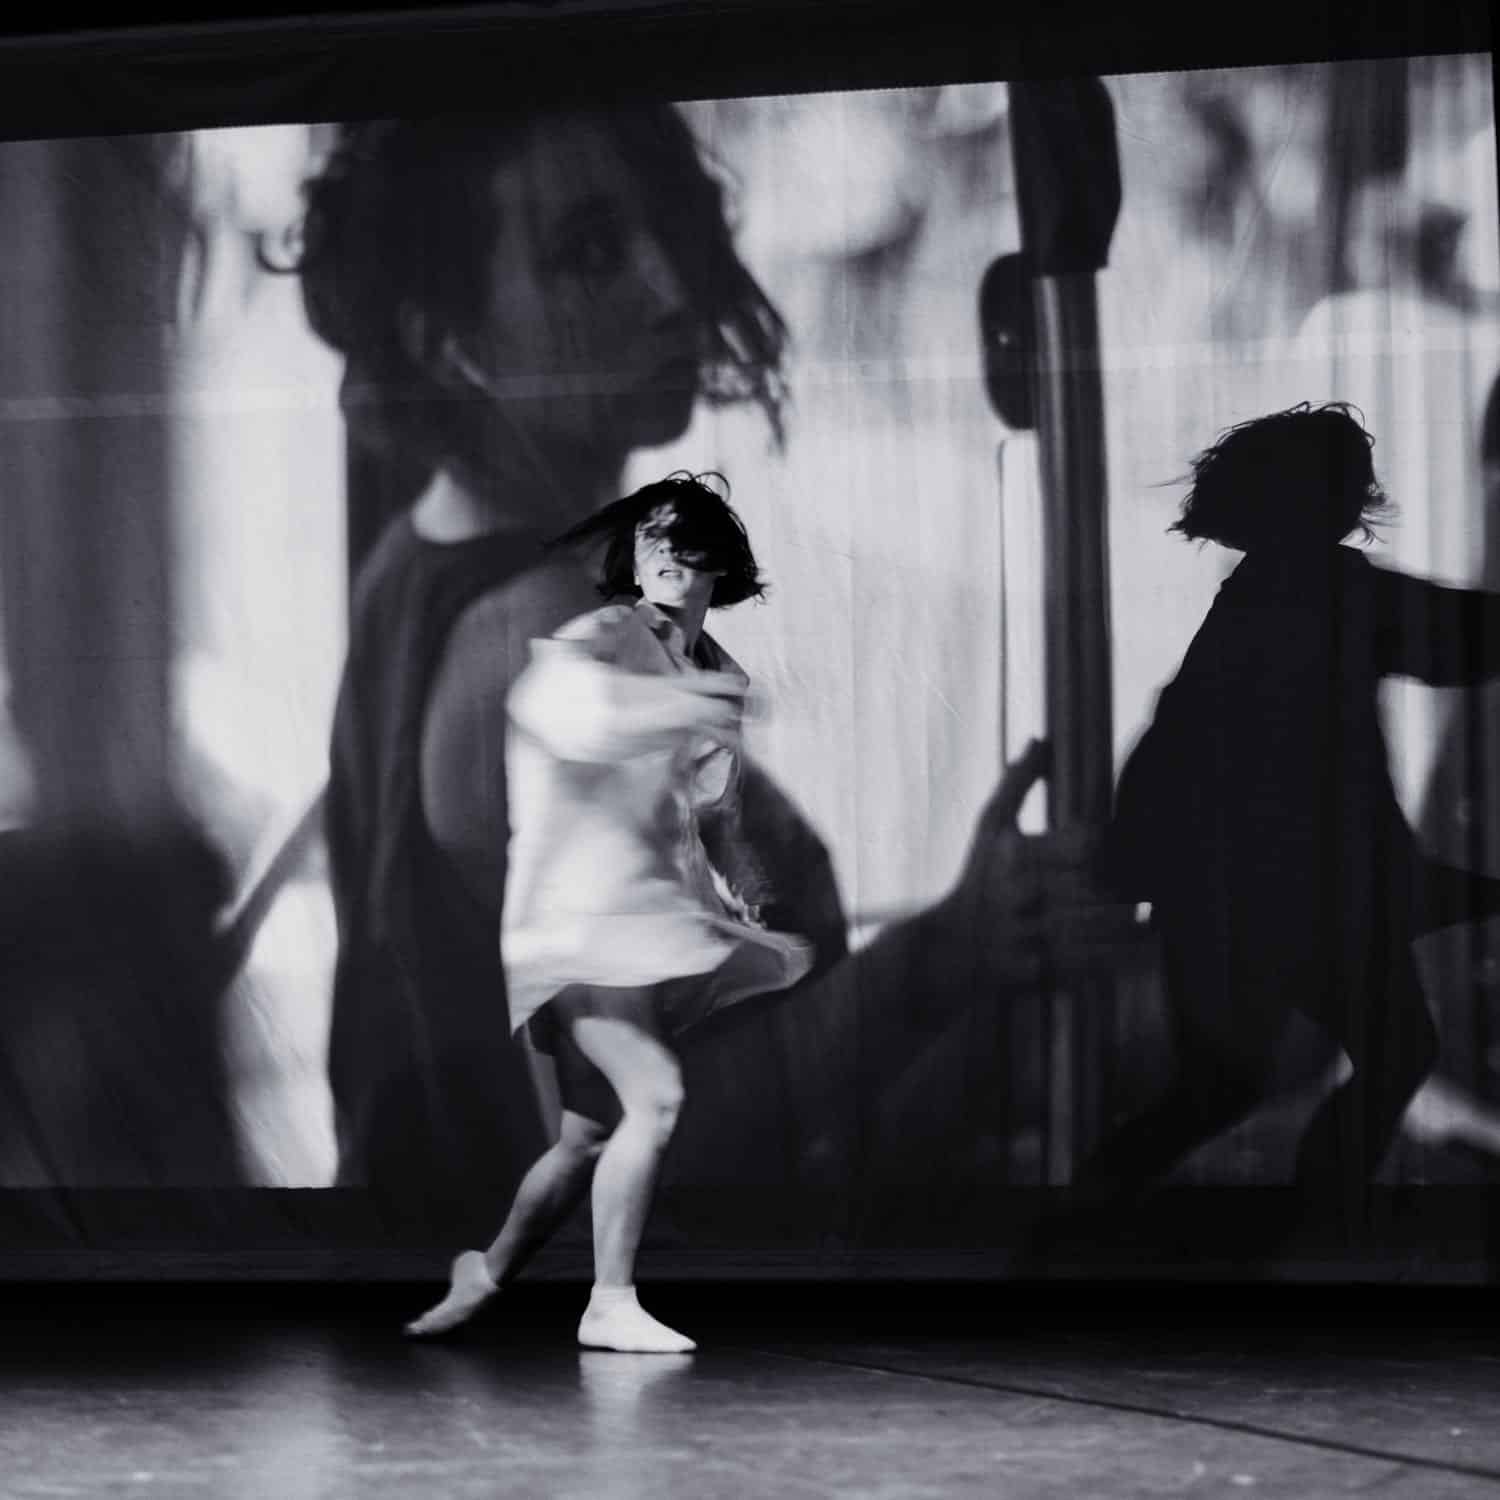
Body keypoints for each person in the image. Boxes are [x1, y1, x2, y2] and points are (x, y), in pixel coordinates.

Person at [293, 105, 1145, 1253]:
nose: (668, 288)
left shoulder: (419, 561)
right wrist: (947, 953)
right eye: (589, 252)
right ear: (448, 339)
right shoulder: (544, 642)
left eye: (664, 226)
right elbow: (651, 1150)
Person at [406, 473, 814, 1351]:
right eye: (650, 539)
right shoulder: (607, 634)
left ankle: (484, 1275)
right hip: (579, 927)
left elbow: (710, 812)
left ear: (715, 561)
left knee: (586, 1139)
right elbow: (564, 708)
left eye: (680, 540)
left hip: (645, 929)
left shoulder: (718, 671)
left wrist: (745, 884)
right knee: (656, 1098)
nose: (662, 554)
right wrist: (680, 705)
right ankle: (609, 1303)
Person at [1083, 402, 1500, 1226]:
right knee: (1388, 1052)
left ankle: (1084, 1222)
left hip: (1232, 894)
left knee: (1225, 1085)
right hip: (1297, 892)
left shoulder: (1251, 599)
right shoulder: (1329, 588)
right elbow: (1459, 637)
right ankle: (1315, 1222)